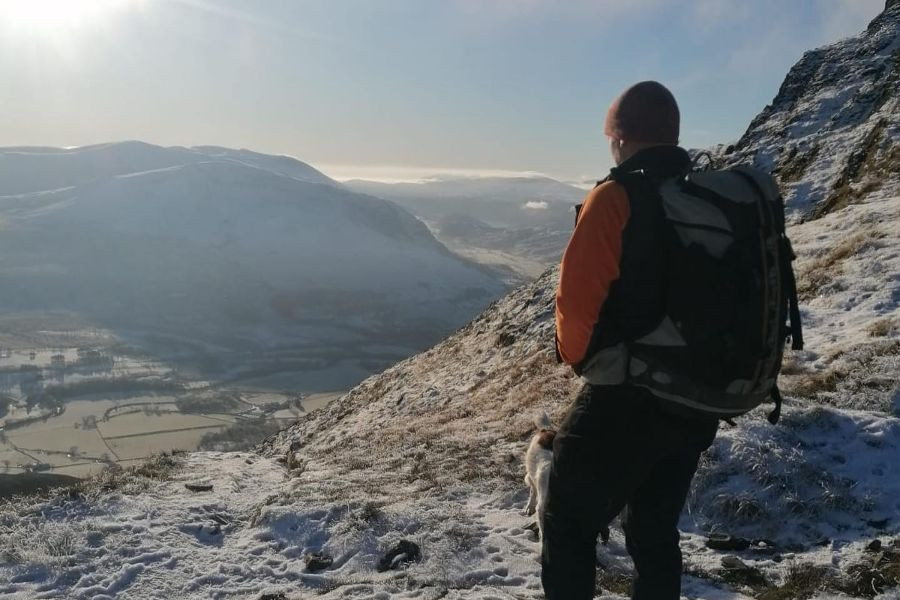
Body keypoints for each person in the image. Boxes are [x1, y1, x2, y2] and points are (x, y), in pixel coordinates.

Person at [542, 81, 720, 600]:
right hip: (694, 399)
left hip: (625, 399)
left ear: (618, 138)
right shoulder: (701, 199)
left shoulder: (614, 197)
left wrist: (580, 361)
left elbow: (575, 311)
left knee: (568, 522)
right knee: (653, 528)